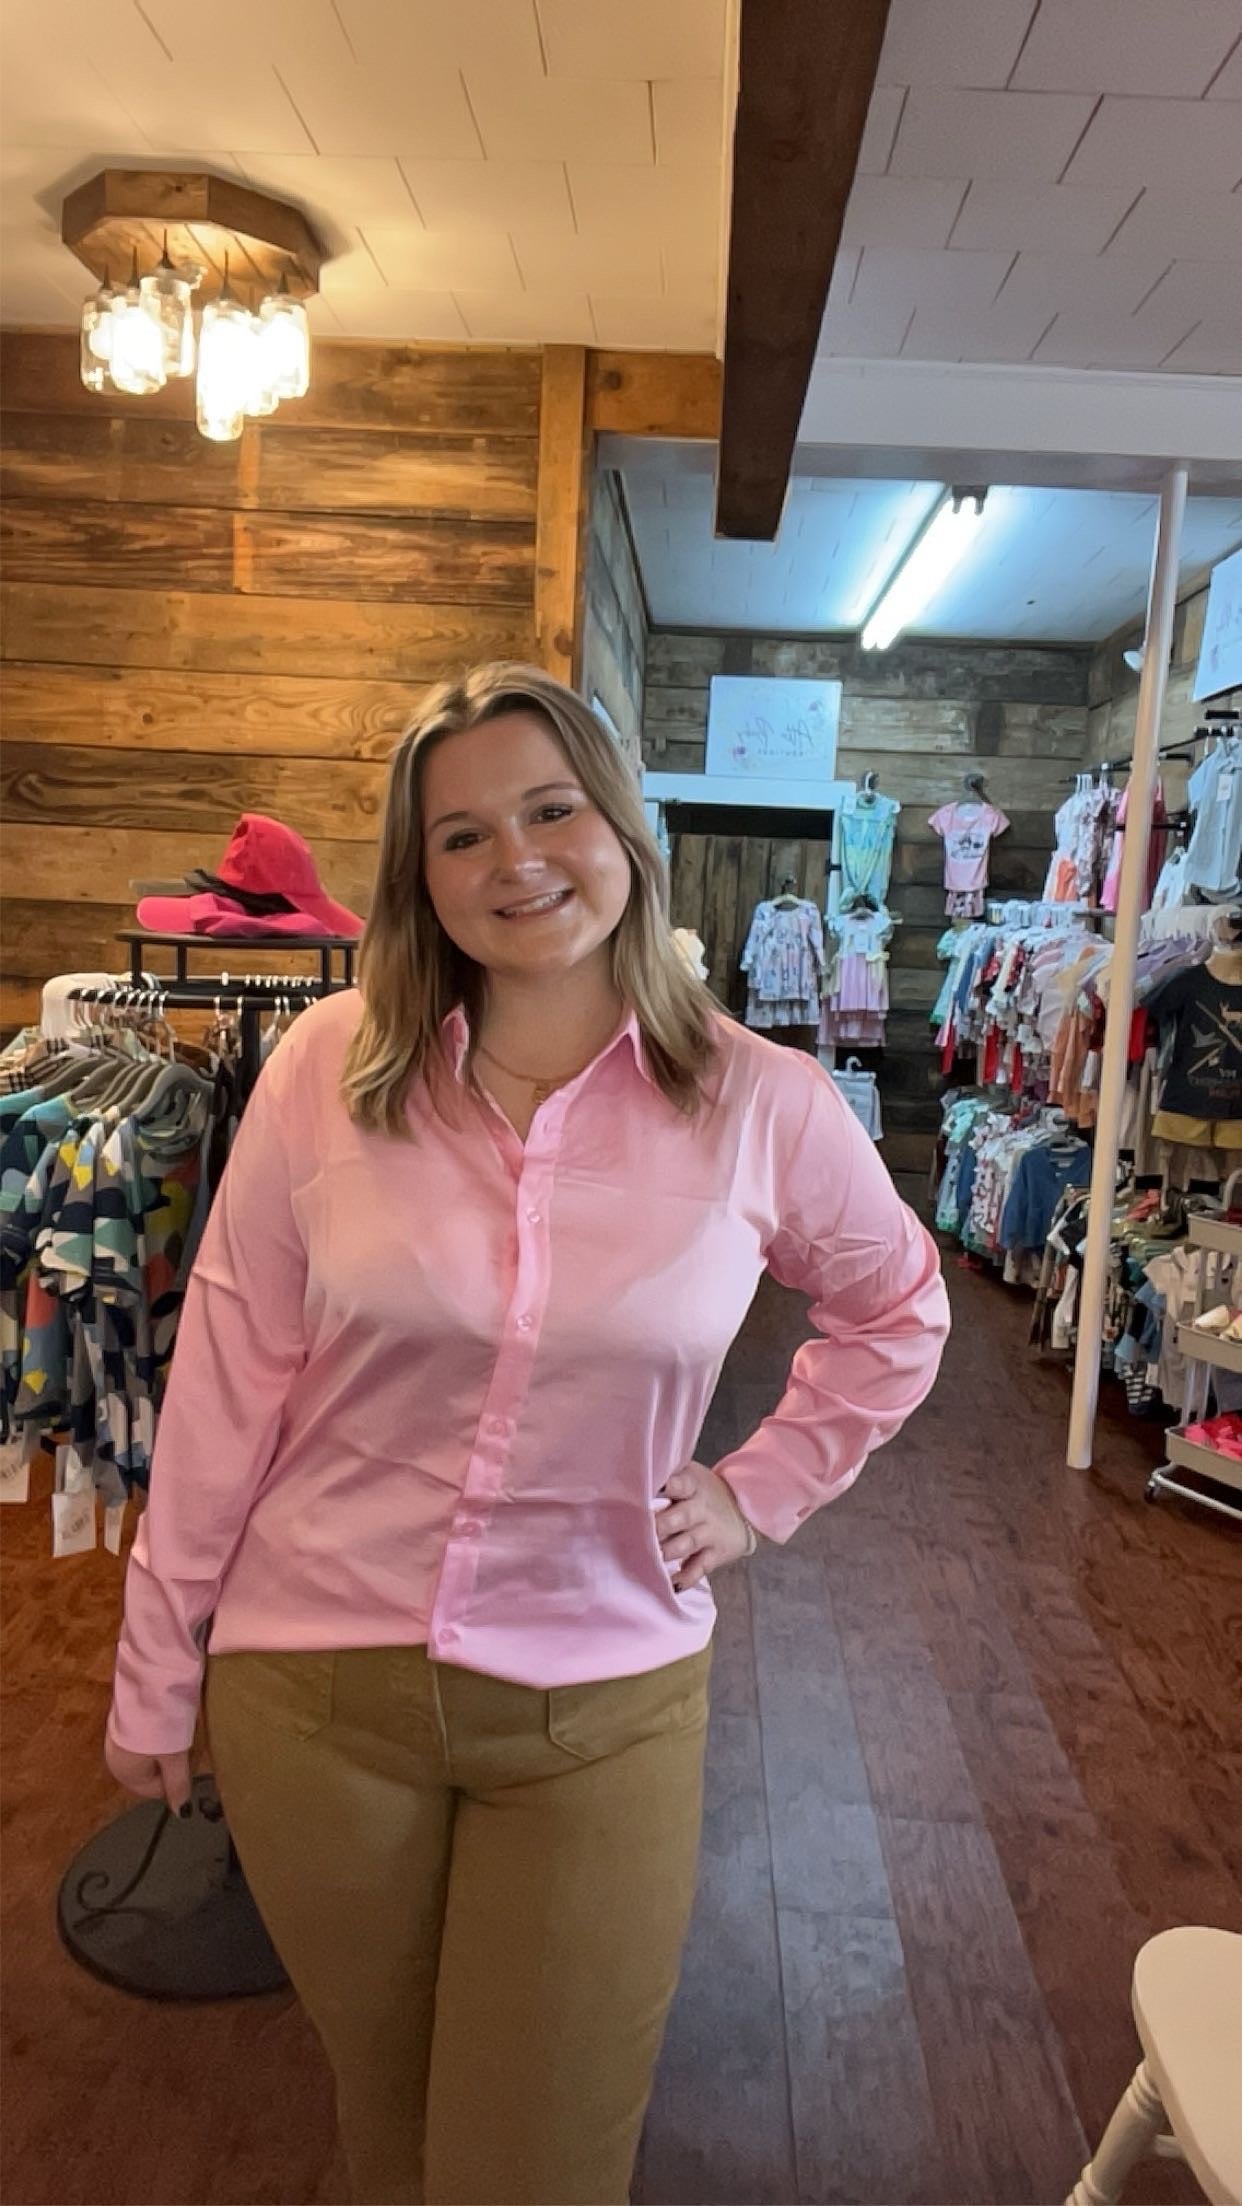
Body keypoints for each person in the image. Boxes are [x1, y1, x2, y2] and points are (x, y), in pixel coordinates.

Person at [105, 663, 949, 2206]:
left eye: (553, 810)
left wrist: (759, 1487)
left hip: (601, 1697)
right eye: (463, 834)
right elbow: (226, 1371)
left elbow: (898, 1306)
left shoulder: (761, 1102)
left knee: (535, 2165)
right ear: (419, 876)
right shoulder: (325, 1071)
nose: (518, 860)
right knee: (389, 2127)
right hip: (313, 1694)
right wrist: (158, 1662)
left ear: (621, 826)